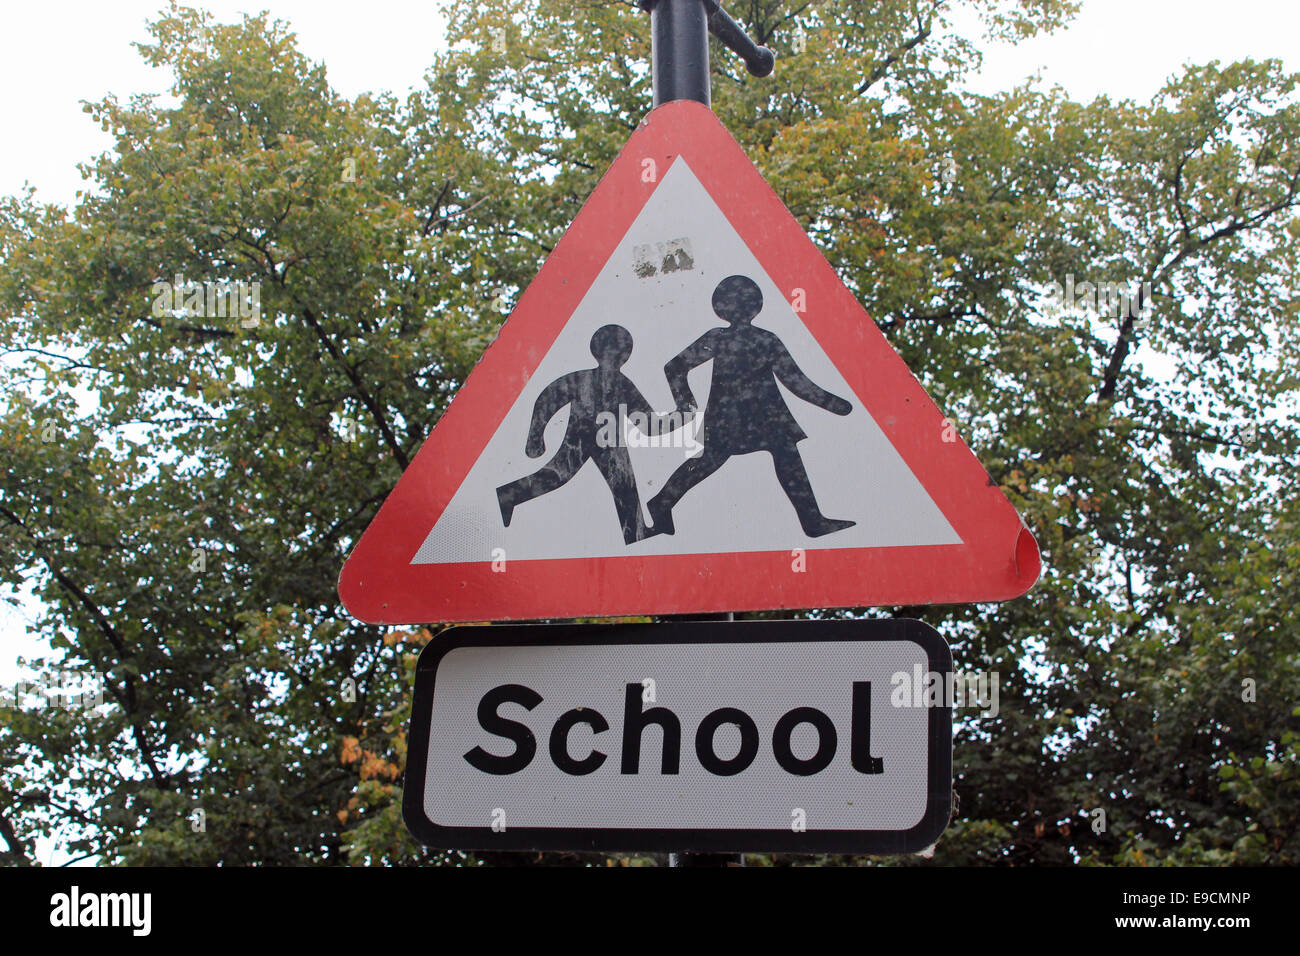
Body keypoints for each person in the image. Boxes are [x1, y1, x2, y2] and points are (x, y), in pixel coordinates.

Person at [646, 274, 856, 538]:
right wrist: (685, 404)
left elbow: (795, 380)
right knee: (711, 462)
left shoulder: (757, 339)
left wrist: (833, 403)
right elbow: (795, 381)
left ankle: (813, 522)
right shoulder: (741, 338)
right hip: (735, 417)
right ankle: (661, 502)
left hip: (760, 416)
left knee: (781, 453)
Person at [497, 324, 691, 544]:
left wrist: (681, 416)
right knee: (556, 477)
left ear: (626, 356)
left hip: (610, 443)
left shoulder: (623, 384)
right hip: (579, 439)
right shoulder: (580, 379)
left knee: (624, 487)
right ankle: (509, 495)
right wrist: (534, 436)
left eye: (620, 354)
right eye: (612, 352)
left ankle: (636, 534)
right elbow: (548, 399)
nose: (616, 358)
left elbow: (647, 424)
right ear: (597, 351)